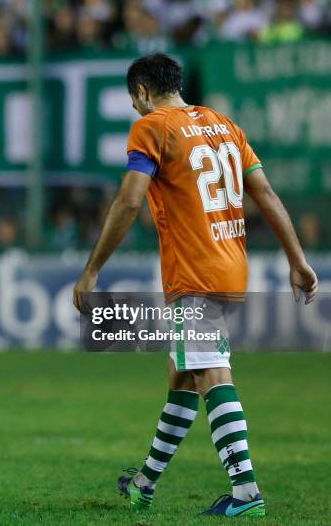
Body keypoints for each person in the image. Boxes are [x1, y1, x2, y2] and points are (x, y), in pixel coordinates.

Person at [73, 53, 318, 517]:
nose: (136, 111)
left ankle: (246, 490)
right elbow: (263, 192)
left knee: (210, 373)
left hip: (195, 272)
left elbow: (129, 201)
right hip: (232, 268)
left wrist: (92, 271)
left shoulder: (152, 127)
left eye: (134, 102)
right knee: (182, 375)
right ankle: (144, 482)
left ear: (143, 92)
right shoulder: (224, 125)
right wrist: (297, 259)